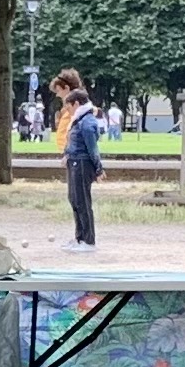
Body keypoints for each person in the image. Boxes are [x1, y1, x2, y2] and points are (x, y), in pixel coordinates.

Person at [63, 87, 102, 252]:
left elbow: (92, 148)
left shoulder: (86, 122)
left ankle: (88, 240)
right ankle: (79, 237)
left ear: (76, 103)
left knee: (83, 202)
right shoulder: (79, 119)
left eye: (69, 106)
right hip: (74, 162)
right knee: (74, 199)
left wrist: (98, 168)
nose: (67, 110)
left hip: (82, 164)